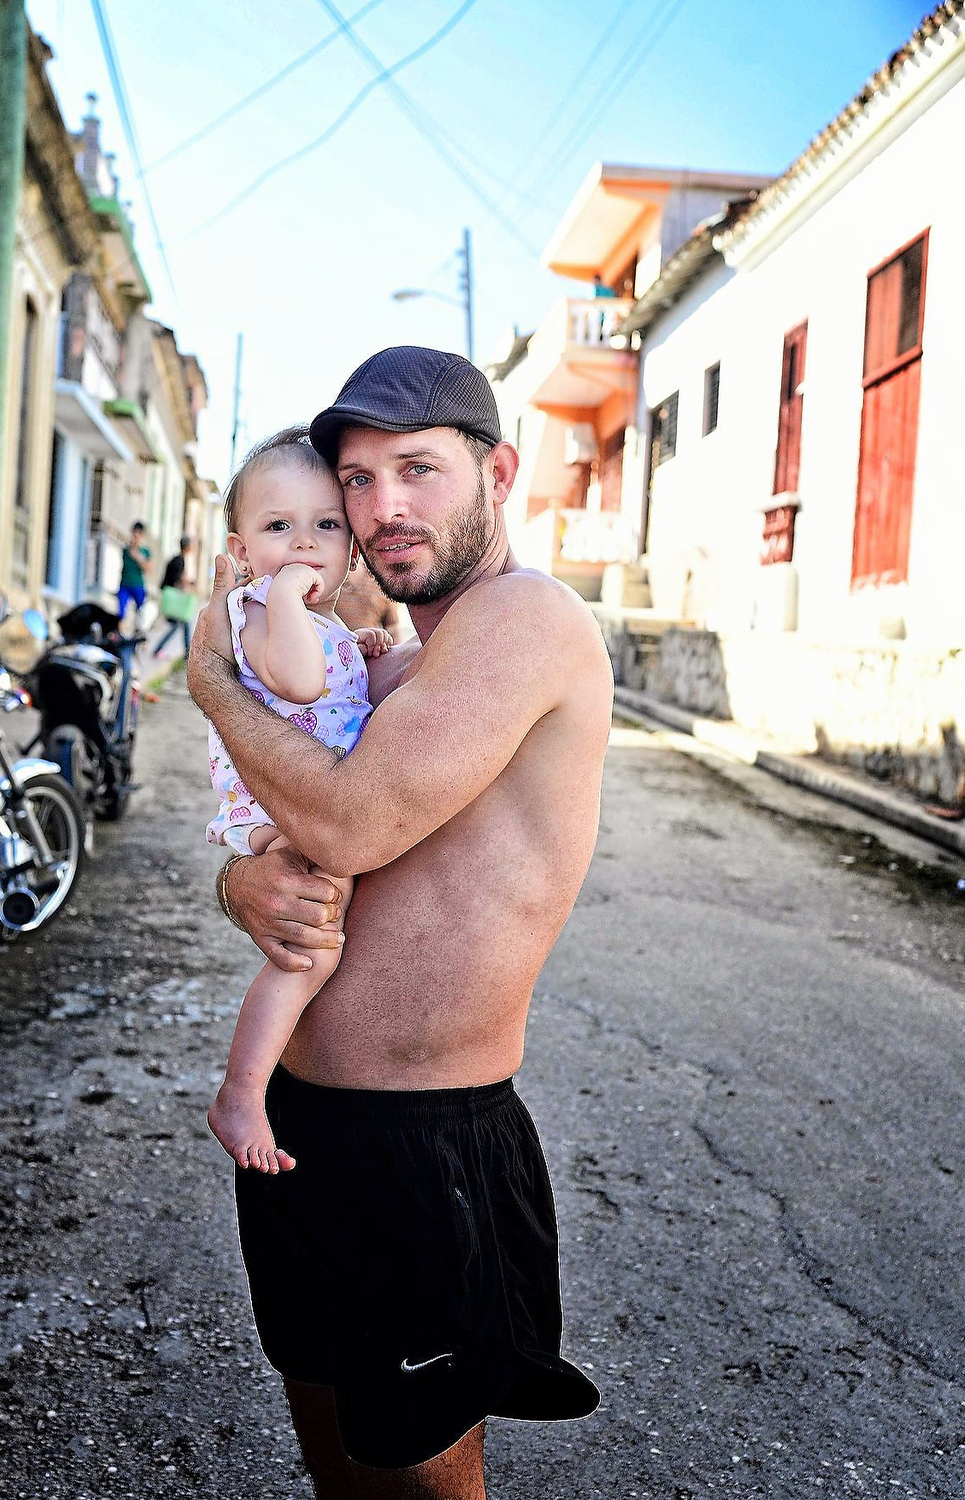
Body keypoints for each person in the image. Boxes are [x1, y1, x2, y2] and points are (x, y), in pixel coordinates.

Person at [188, 346, 613, 1498]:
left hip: (421, 1141)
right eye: (358, 482)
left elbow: (352, 821)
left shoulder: (525, 618)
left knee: (420, 1484)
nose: (383, 508)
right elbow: (293, 827)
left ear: (498, 474)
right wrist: (238, 886)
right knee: (339, 1456)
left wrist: (213, 683)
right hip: (306, 1123)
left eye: (416, 469)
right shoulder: (404, 657)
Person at [203, 428, 392, 1172]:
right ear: (242, 550)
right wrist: (285, 595)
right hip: (274, 804)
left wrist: (356, 645)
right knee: (311, 952)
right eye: (279, 526)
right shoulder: (255, 607)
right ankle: (242, 1091)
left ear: (352, 549)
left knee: (320, 939)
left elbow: (326, 669)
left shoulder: (316, 621)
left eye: (326, 526)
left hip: (298, 796)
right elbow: (302, 681)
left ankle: (255, 1085)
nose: (305, 545)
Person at [152, 534, 196, 660]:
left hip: (170, 595)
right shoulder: (179, 561)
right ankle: (159, 649)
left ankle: (187, 652)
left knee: (183, 623)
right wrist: (187, 586)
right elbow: (177, 579)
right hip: (173, 598)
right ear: (187, 547)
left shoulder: (176, 559)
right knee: (178, 624)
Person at [117, 520, 150, 622]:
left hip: (138, 585)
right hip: (125, 584)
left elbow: (148, 569)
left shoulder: (145, 552)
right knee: (121, 612)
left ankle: (138, 628)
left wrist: (138, 557)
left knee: (141, 611)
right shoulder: (126, 550)